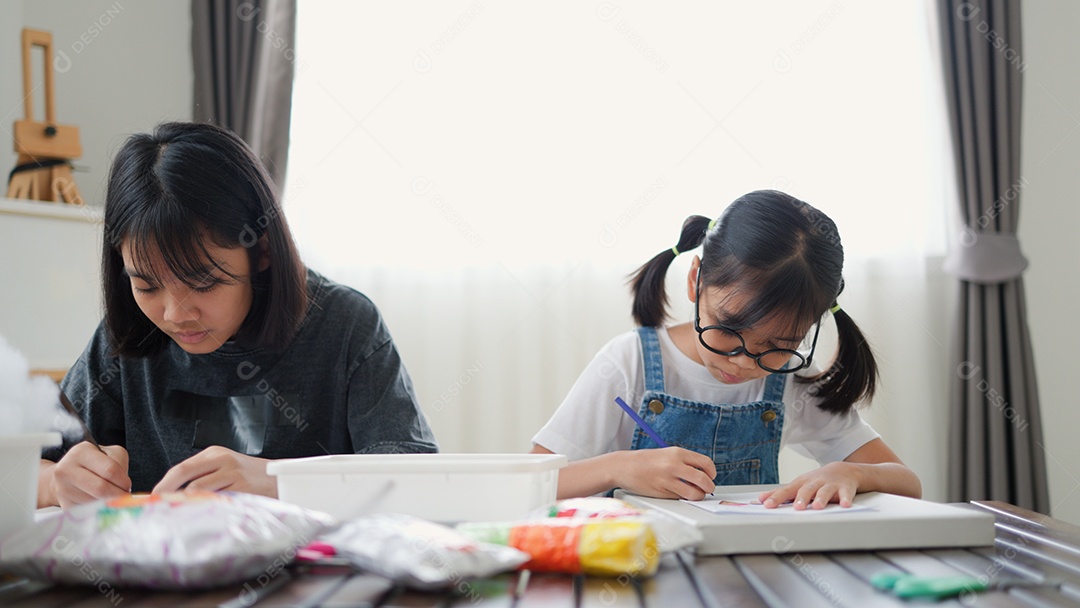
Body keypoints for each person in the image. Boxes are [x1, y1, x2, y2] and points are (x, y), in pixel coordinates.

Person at [38, 122, 438, 509]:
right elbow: (28, 466)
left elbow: (415, 475)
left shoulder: (345, 324)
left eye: (203, 282)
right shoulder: (128, 337)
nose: (176, 314)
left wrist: (280, 483)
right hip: (160, 556)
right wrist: (57, 484)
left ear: (262, 252)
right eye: (147, 286)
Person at [531, 190, 921, 509]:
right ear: (696, 280)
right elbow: (532, 483)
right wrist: (617, 468)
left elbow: (908, 484)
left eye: (778, 345)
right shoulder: (628, 363)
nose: (744, 361)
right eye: (729, 328)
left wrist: (853, 473)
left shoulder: (793, 380)